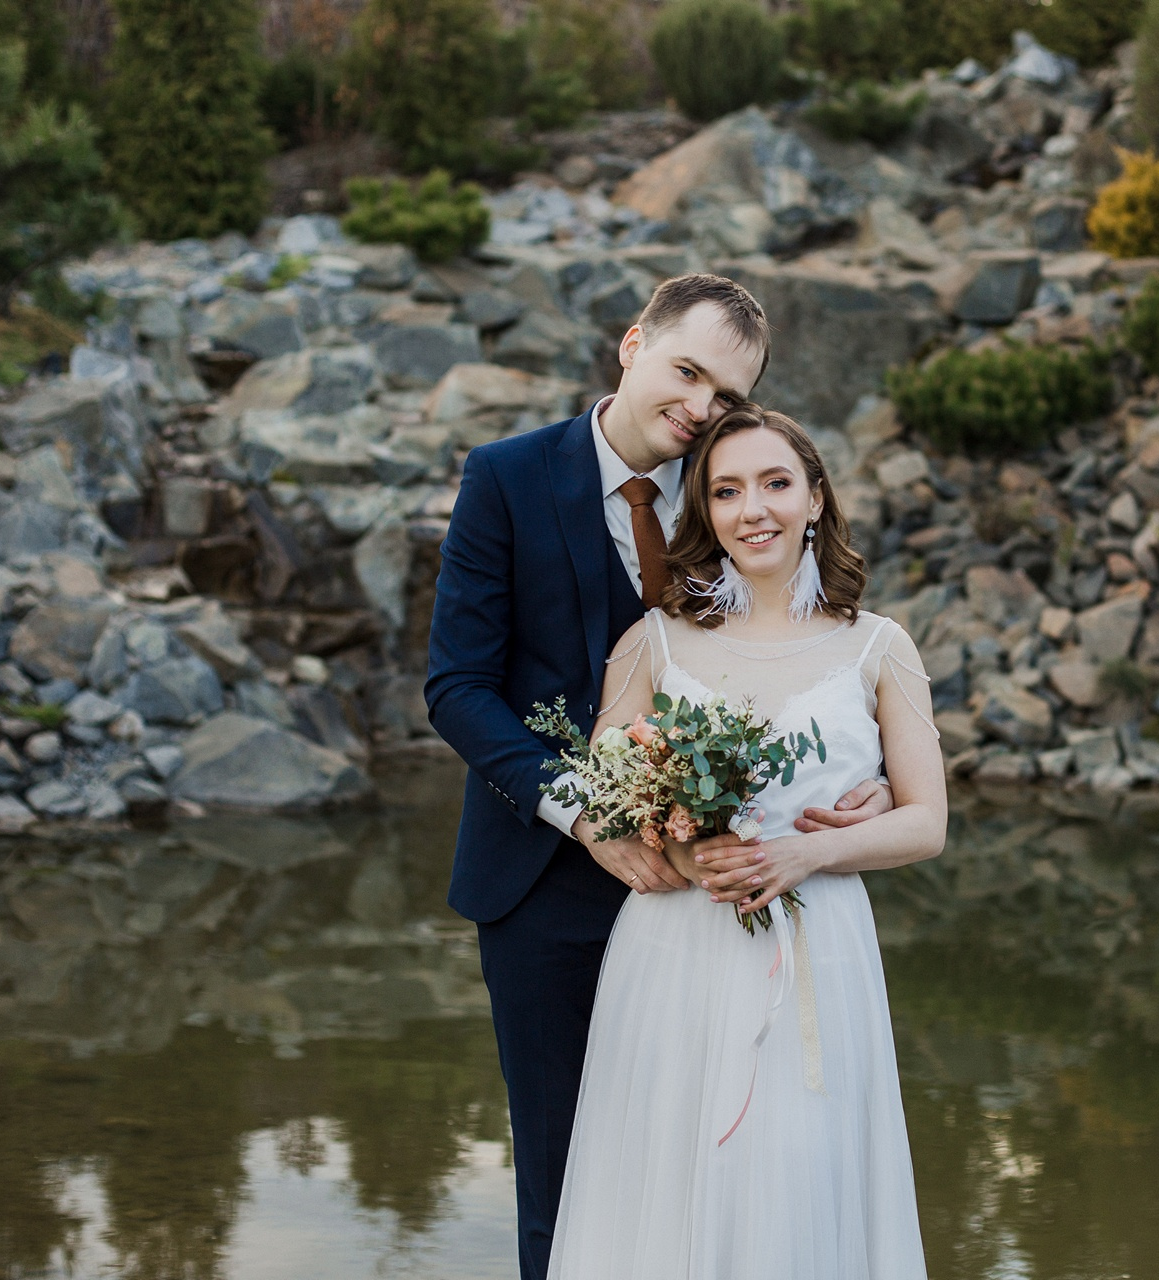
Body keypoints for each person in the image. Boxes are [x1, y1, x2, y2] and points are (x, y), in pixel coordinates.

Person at [424, 275, 895, 1280]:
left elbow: (801, 661)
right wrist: (588, 810)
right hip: (541, 888)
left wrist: (874, 779)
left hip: (710, 909)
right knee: (565, 1182)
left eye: (724, 396)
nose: (698, 407)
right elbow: (457, 686)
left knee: (713, 1175)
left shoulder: (730, 489)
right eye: (687, 371)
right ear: (634, 343)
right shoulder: (505, 476)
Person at [547, 406, 947, 1279]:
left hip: (819, 947)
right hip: (675, 951)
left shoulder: (880, 646)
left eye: (774, 483)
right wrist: (687, 852)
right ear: (705, 512)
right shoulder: (651, 642)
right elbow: (604, 794)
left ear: (814, 497)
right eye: (725, 490)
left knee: (801, 1174)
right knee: (666, 1178)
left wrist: (807, 854)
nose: (751, 508)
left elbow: (926, 822)